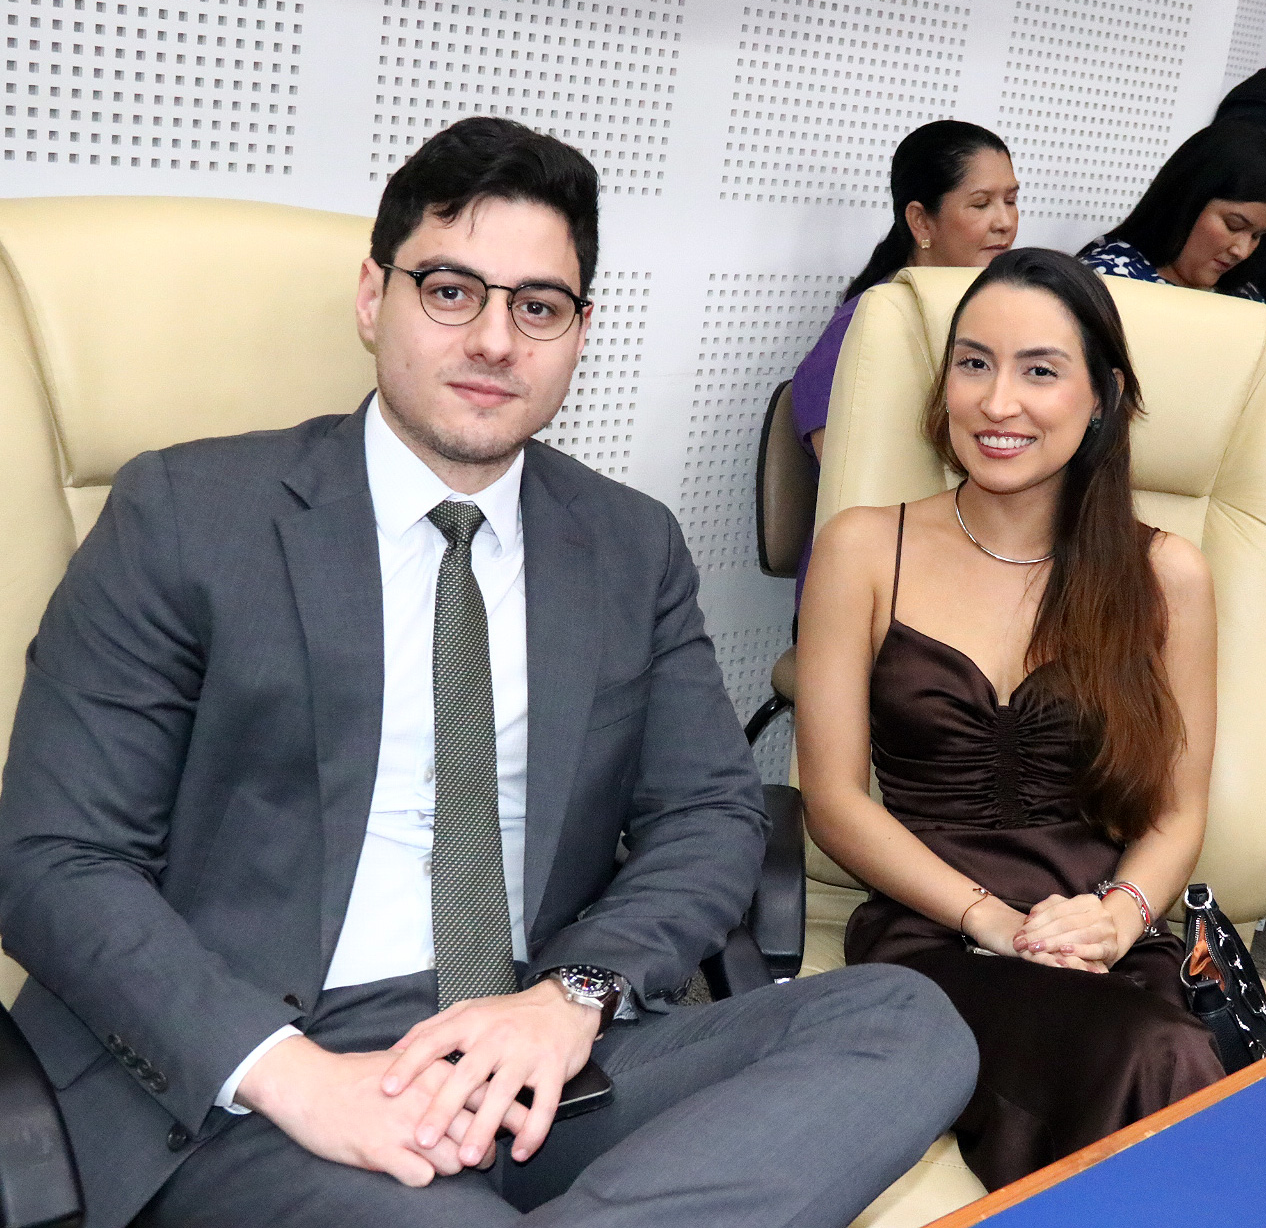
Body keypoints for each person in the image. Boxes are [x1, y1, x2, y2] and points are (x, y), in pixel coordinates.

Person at [0, 117, 977, 1228]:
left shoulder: (629, 545)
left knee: (904, 1022)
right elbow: (53, 858)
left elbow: (709, 814)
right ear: (373, 298)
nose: (495, 340)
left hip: (538, 1050)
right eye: (451, 291)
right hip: (266, 1080)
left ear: (579, 332)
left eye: (538, 307)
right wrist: (293, 1077)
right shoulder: (187, 513)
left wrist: (570, 997)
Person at [795, 247, 1224, 1192]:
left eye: (1040, 370)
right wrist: (989, 917)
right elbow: (832, 797)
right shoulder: (862, 547)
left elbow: (1178, 810)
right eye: (974, 363)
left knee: (1166, 1052)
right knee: (1159, 1059)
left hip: (1102, 937)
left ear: (1103, 396)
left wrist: (1115, 918)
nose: (997, 402)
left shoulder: (1168, 576)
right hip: (934, 938)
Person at [789, 120, 1018, 606]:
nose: (1004, 222)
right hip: (876, 586)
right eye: (981, 204)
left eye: (1011, 200)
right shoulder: (861, 331)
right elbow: (861, 494)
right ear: (921, 222)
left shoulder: (1000, 321)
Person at [1078, 121, 1266, 300]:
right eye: (1233, 225)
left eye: (1257, 236)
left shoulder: (1244, 296)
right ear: (1185, 202)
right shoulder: (1110, 283)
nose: (1242, 252)